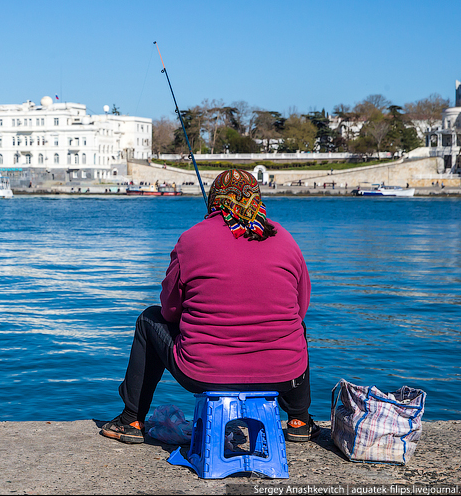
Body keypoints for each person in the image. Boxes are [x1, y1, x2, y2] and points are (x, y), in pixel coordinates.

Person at [100, 169, 317, 444]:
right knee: (297, 327)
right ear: (257, 198)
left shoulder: (192, 239)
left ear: (215, 199)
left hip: (204, 374)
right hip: (282, 376)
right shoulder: (285, 239)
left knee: (149, 319)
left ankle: (131, 419)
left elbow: (169, 310)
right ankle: (299, 420)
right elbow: (300, 306)